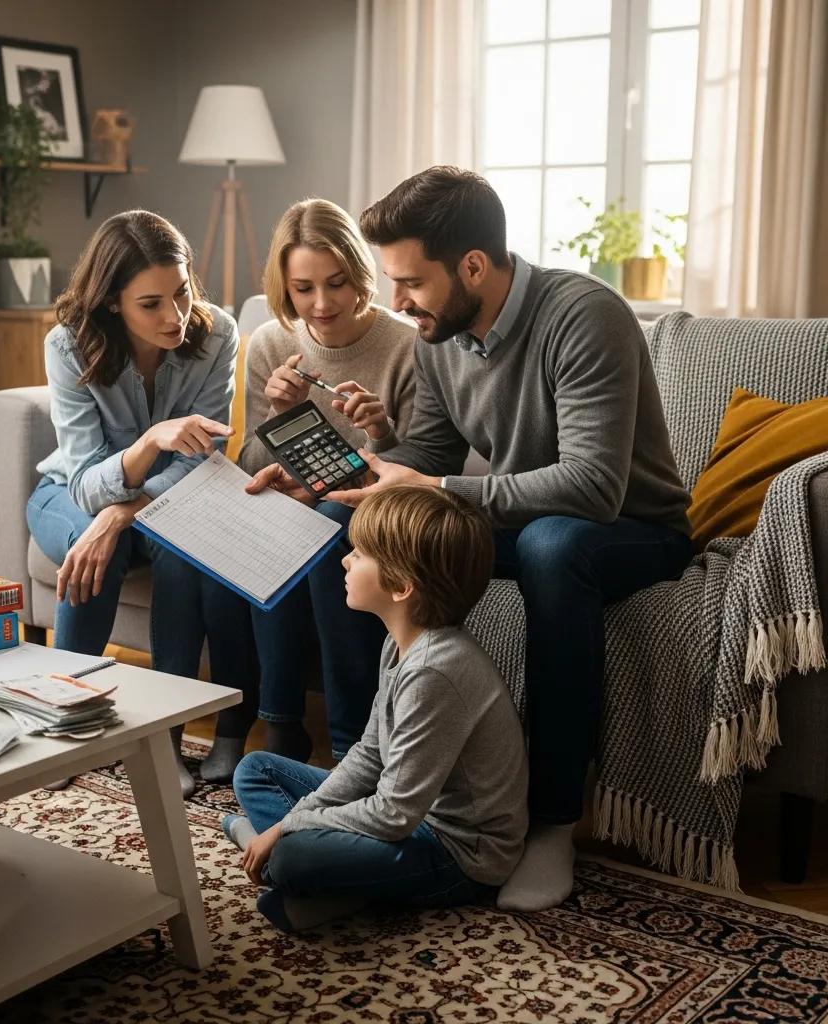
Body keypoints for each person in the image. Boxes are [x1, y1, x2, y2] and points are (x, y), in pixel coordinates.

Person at [249, 166, 694, 912]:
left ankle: (550, 824)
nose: (395, 302)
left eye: (410, 282)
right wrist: (354, 479)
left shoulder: (584, 315)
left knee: (556, 545)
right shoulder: (439, 333)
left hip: (632, 530)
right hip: (518, 519)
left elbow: (593, 488)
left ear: (474, 267)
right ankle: (365, 775)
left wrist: (438, 491)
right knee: (341, 526)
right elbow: (427, 458)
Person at [222, 485, 528, 933]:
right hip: (410, 820)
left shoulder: (434, 671)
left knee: (293, 856)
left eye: (360, 554)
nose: (345, 561)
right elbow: (369, 755)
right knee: (256, 770)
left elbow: (393, 814)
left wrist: (287, 829)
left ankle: (314, 881)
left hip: (459, 851)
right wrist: (296, 819)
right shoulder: (398, 643)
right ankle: (333, 890)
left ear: (402, 586)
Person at [25, 209, 258, 798]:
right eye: (151, 303)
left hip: (162, 498)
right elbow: (82, 480)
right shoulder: (69, 345)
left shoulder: (217, 334)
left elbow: (199, 460)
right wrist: (151, 440)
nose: (174, 316)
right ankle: (66, 722)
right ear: (112, 303)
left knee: (182, 549)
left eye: (181, 293)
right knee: (93, 546)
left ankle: (166, 741)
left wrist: (128, 509)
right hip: (69, 493)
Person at [217, 198, 416, 773]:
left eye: (337, 284)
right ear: (284, 285)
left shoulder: (406, 344)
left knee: (324, 525)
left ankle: (353, 745)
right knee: (271, 519)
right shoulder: (272, 344)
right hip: (297, 499)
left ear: (360, 274)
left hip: (370, 503)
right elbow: (250, 461)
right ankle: (281, 728)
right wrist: (280, 416)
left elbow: (417, 464)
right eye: (304, 289)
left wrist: (380, 430)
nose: (322, 304)